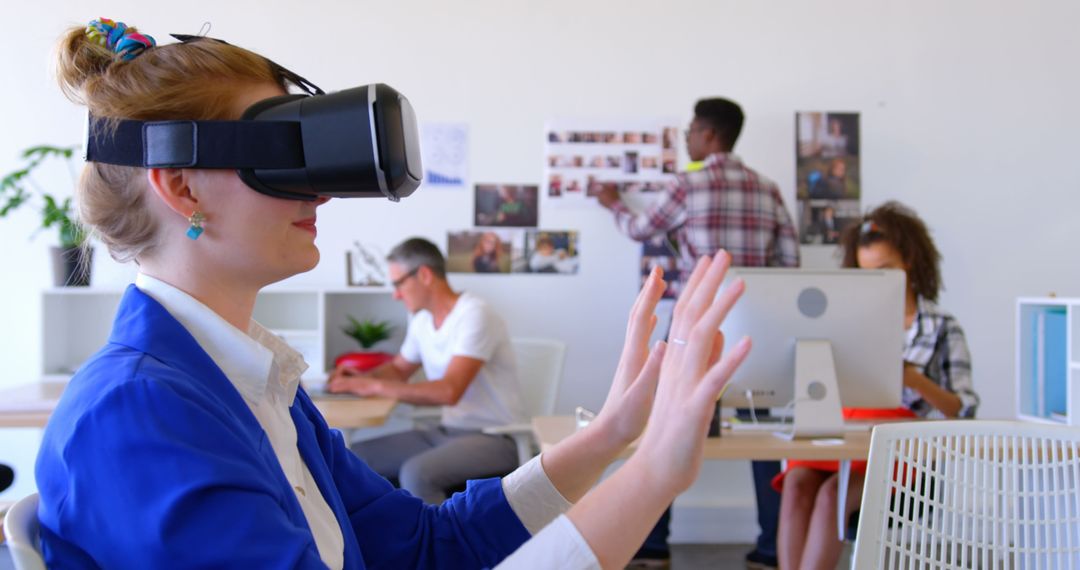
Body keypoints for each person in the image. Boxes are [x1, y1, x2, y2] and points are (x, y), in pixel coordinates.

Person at [36, 18, 754, 569]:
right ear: (183, 185)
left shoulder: (251, 383)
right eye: (282, 153)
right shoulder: (140, 413)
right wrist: (656, 473)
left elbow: (430, 548)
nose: (317, 186)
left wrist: (612, 439)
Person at [597, 97, 799, 569]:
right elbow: (791, 264)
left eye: (691, 129)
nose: (687, 137)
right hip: (756, 327)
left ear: (709, 135)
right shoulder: (768, 189)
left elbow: (641, 227)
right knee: (764, 436)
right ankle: (771, 549)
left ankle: (651, 546)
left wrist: (611, 203)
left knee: (669, 425)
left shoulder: (688, 184)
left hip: (695, 323)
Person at [776, 201, 980, 570]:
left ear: (910, 263)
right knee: (797, 484)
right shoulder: (843, 323)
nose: (876, 282)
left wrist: (913, 378)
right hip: (844, 434)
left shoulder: (942, 327)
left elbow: (964, 408)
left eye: (885, 271)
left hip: (903, 448)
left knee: (832, 497)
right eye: (865, 273)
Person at [326, 237, 525, 503]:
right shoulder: (422, 320)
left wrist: (372, 386)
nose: (395, 294)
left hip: (495, 438)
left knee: (417, 474)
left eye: (398, 284)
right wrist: (360, 379)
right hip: (445, 431)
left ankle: (439, 544)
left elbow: (449, 391)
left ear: (424, 275)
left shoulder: (474, 314)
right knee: (350, 458)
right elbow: (399, 369)